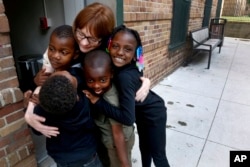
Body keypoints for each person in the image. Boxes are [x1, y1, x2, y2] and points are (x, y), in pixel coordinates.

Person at [24, 2, 150, 138]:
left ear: (103, 38)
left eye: (92, 39)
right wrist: (30, 106)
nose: (84, 43)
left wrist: (145, 79)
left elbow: (136, 59)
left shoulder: (109, 46)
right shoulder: (66, 41)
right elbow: (45, 78)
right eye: (81, 34)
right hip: (84, 116)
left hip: (106, 110)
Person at [87, 25, 170, 167]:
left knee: (158, 155)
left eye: (127, 49)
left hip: (154, 115)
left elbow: (127, 118)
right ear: (109, 46)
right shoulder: (121, 66)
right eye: (116, 46)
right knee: (145, 148)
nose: (120, 52)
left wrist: (98, 102)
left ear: (135, 54)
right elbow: (140, 71)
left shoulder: (124, 77)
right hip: (141, 113)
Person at [32, 70, 103, 167]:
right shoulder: (84, 101)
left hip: (62, 158)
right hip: (88, 155)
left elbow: (36, 130)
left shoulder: (45, 109)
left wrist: (30, 106)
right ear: (76, 95)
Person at [82, 50, 134, 167]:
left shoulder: (112, 99)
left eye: (102, 80)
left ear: (111, 74)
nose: (96, 85)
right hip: (108, 140)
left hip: (118, 144)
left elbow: (118, 133)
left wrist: (124, 163)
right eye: (90, 80)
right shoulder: (99, 89)